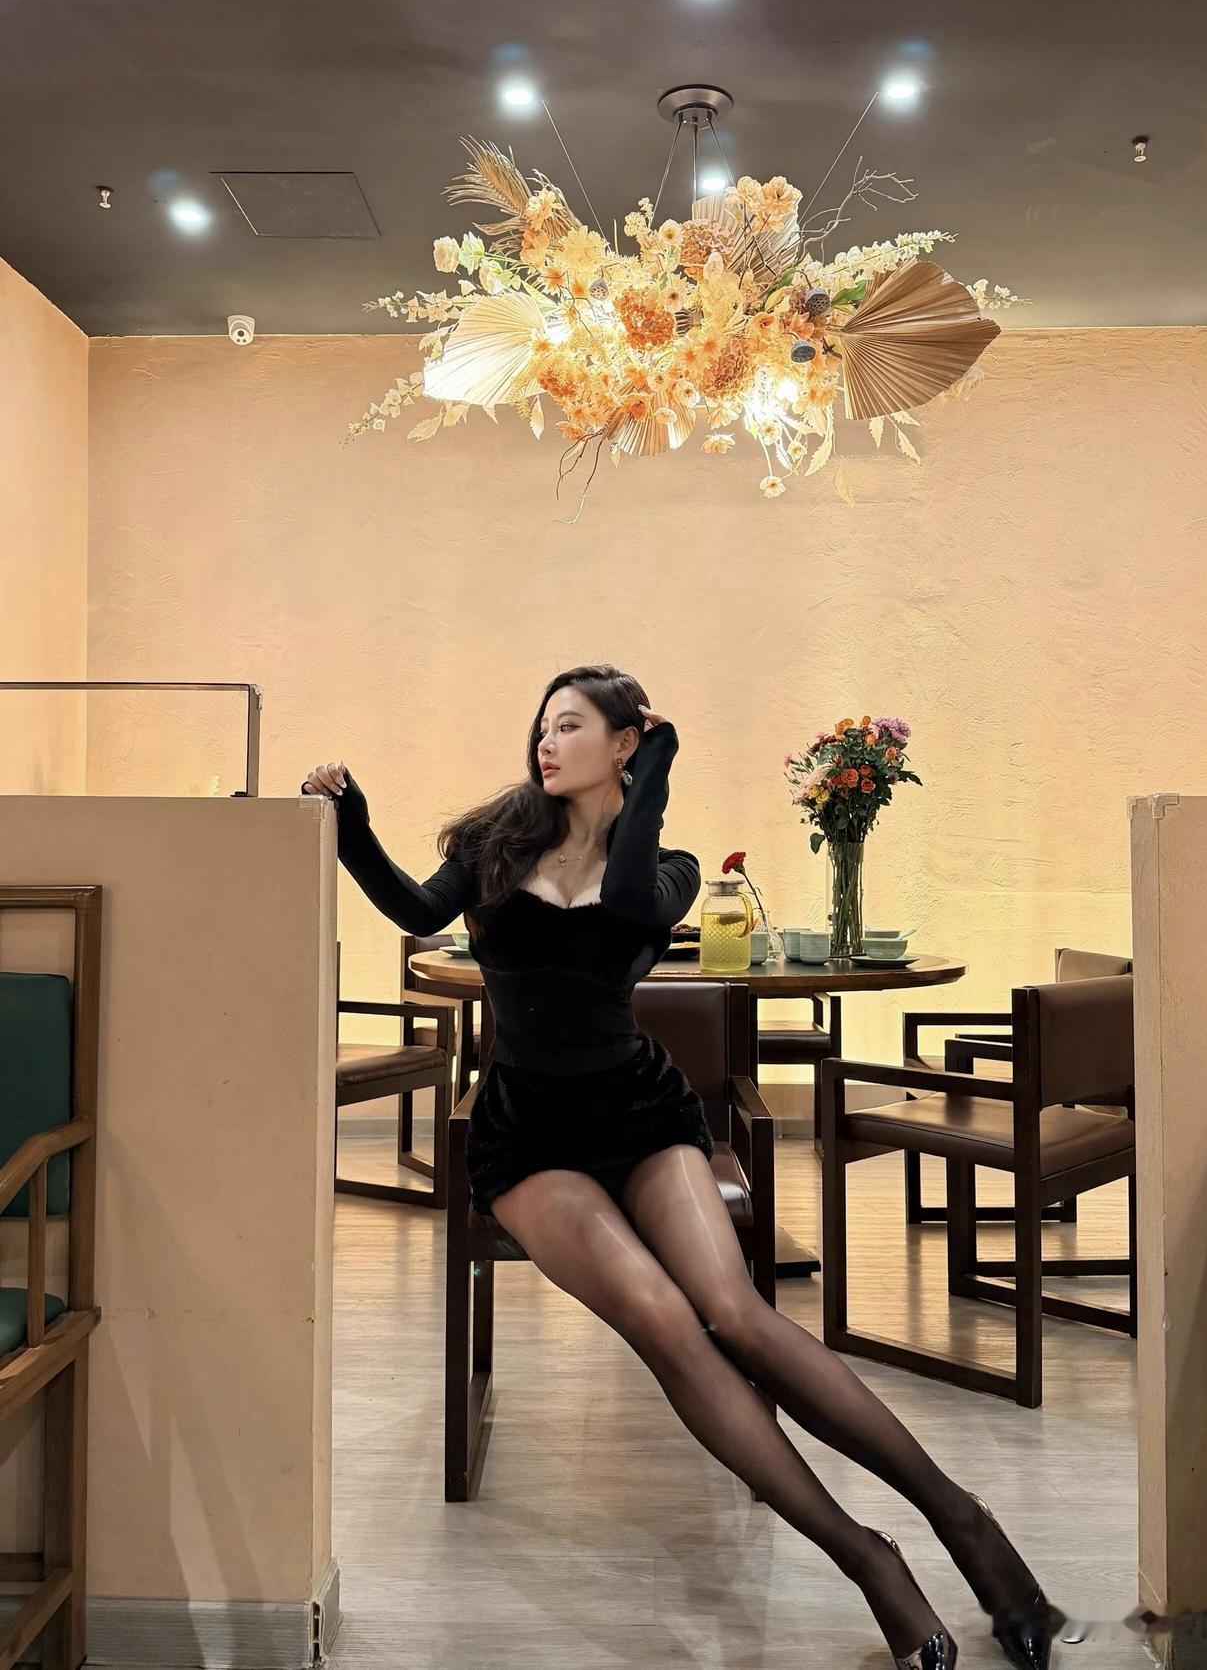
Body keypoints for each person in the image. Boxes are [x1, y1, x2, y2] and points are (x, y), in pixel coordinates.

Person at [302, 661, 1062, 1670]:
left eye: (572, 725)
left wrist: (656, 768)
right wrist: (351, 820)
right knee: (668, 1325)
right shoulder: (494, 845)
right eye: (543, 724)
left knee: (738, 1313)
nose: (546, 741)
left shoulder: (669, 870)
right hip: (529, 1136)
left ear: (625, 742)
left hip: (641, 1111)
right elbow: (409, 905)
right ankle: (867, 1559)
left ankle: (961, 1517)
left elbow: (622, 897)